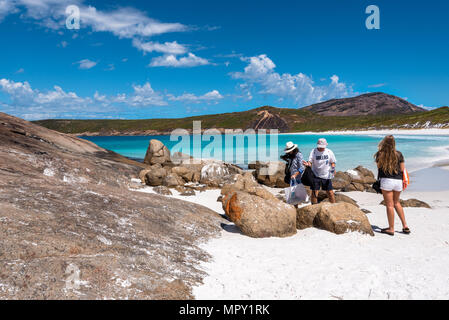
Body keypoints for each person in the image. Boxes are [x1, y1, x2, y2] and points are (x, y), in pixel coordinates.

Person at [374, 135, 410, 236]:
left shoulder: (380, 154)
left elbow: (379, 167)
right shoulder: (399, 154)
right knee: (397, 203)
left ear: (384, 142)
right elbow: (402, 169)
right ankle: (405, 226)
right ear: (394, 143)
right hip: (398, 181)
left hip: (386, 181)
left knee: (389, 205)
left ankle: (391, 228)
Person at [303, 138, 336, 204]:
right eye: (320, 147)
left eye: (323, 147)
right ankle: (314, 207)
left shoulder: (329, 152)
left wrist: (333, 168)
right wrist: (308, 164)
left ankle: (334, 206)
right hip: (315, 175)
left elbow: (333, 162)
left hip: (326, 175)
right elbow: (310, 161)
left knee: (330, 193)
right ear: (318, 145)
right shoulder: (313, 151)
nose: (321, 148)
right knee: (314, 193)